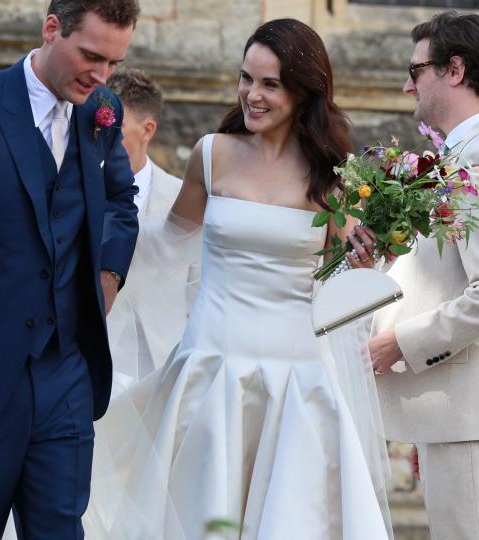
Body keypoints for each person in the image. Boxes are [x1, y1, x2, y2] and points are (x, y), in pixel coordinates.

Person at [85, 18, 392, 540]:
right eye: (246, 78)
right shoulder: (212, 154)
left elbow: (343, 272)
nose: (252, 94)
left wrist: (367, 260)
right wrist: (91, 234)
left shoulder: (331, 177)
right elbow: (164, 244)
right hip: (212, 366)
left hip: (296, 375)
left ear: (303, 91)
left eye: (270, 83)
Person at [0, 0, 140, 537]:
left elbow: (120, 202)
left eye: (113, 63)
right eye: (90, 56)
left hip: (66, 371)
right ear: (50, 29)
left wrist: (107, 277)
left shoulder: (101, 111)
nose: (101, 75)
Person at [368, 11, 479, 540]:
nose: (407, 83)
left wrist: (400, 343)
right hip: (460, 412)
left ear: (455, 69)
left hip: (474, 413)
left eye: (415, 69)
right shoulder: (467, 153)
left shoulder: (478, 160)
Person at [104, 68, 199, 386]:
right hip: (99, 354)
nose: (103, 133)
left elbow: (198, 283)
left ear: (147, 130)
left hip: (163, 360)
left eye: (114, 126)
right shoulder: (78, 189)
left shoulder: (182, 196)